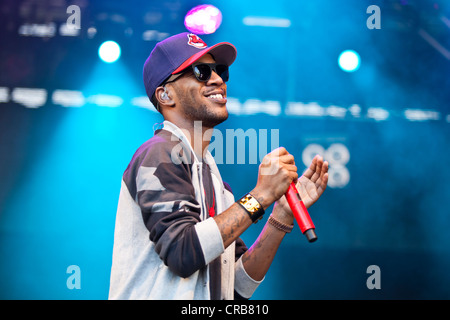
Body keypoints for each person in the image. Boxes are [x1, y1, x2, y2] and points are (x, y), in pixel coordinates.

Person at [108, 32, 329, 300]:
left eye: (220, 71)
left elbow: (236, 288)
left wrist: (280, 216)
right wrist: (260, 196)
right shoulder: (158, 155)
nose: (217, 80)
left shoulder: (215, 181)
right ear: (165, 95)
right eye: (201, 71)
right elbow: (182, 253)